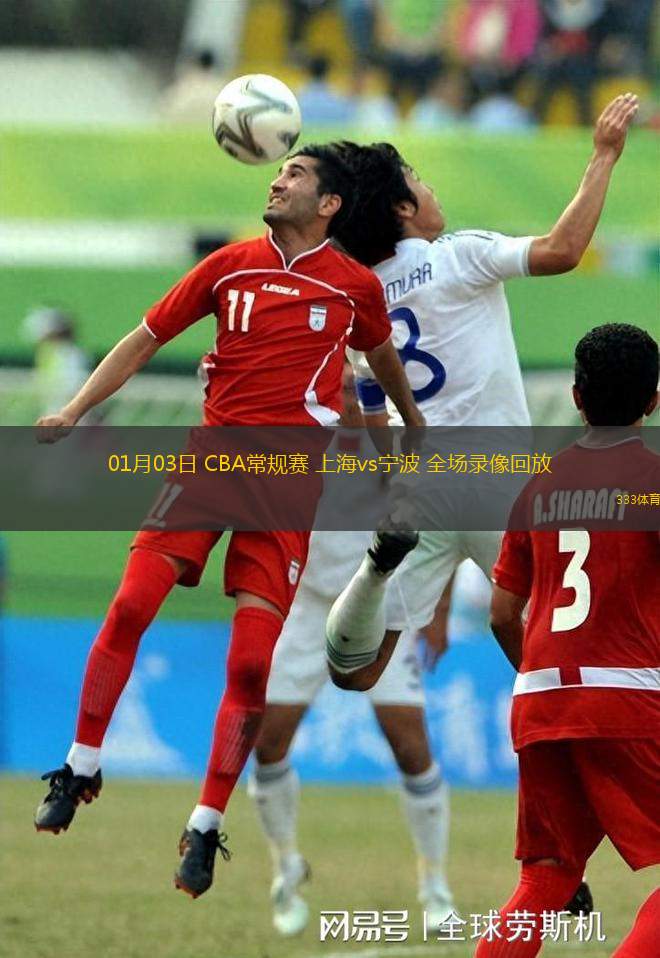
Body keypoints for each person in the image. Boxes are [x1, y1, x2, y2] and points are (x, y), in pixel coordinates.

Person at [32, 145, 423, 899]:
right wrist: (76, 409)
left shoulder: (354, 287)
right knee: (130, 604)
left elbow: (382, 363)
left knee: (249, 666)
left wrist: (411, 430)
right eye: (278, 172)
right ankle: (80, 765)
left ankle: (206, 823)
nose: (277, 180)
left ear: (329, 204)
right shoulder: (228, 265)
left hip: (286, 489)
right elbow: (145, 338)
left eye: (295, 175)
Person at [323, 91, 639, 696]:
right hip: (499, 477)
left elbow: (375, 423)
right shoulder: (457, 255)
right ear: (403, 207)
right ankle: (561, 703)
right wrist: (603, 154)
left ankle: (376, 568)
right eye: (419, 180)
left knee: (356, 670)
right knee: (559, 622)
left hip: (420, 490)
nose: (431, 188)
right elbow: (563, 250)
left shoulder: (361, 303)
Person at [249, 365, 456, 937]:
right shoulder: (298, 437)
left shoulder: (392, 441)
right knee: (267, 743)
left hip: (379, 608)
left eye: (352, 388)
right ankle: (285, 868)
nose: (343, 397)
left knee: (411, 747)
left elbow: (440, 524)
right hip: (305, 606)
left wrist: (437, 611)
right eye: (336, 387)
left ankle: (435, 888)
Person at [474, 322, 659, 957]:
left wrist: (546, 679)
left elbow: (503, 613)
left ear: (577, 397)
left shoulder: (539, 485)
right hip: (626, 698)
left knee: (546, 876)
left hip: (540, 700)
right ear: (653, 399)